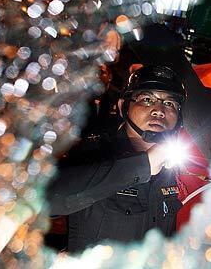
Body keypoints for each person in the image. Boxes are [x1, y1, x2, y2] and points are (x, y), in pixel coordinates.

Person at [47, 65, 189, 253]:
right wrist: (142, 166)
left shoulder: (170, 166)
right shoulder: (95, 151)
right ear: (124, 107)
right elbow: (49, 200)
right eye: (147, 99)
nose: (159, 110)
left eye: (169, 103)